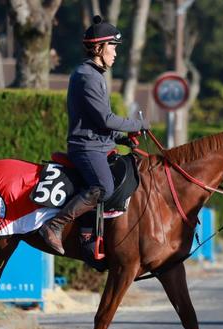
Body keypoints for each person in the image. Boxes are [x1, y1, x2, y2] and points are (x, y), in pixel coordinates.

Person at [39, 15, 150, 255]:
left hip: (98, 145)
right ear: (99, 48)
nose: (115, 53)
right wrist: (136, 124)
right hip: (86, 148)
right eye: (113, 47)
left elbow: (98, 121)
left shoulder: (94, 75)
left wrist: (121, 138)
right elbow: (105, 119)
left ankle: (88, 233)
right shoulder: (87, 76)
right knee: (104, 187)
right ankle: (54, 226)